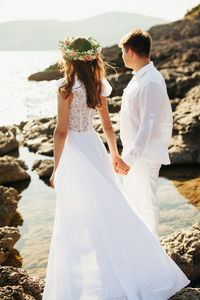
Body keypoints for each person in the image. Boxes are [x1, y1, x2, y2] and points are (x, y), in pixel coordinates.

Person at [42, 35, 189, 300]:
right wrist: (113, 154)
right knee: (110, 206)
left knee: (76, 214)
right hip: (94, 146)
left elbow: (61, 132)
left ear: (68, 58)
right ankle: (128, 261)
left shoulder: (65, 87)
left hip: (75, 151)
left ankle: (85, 277)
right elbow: (108, 126)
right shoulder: (97, 84)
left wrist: (56, 168)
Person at [114, 29, 173, 240]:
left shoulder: (150, 82)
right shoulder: (140, 77)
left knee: (147, 203)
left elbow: (147, 126)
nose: (121, 56)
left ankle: (153, 250)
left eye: (122, 51)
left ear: (130, 52)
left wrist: (128, 159)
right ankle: (140, 247)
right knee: (134, 202)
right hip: (134, 154)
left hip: (144, 156)